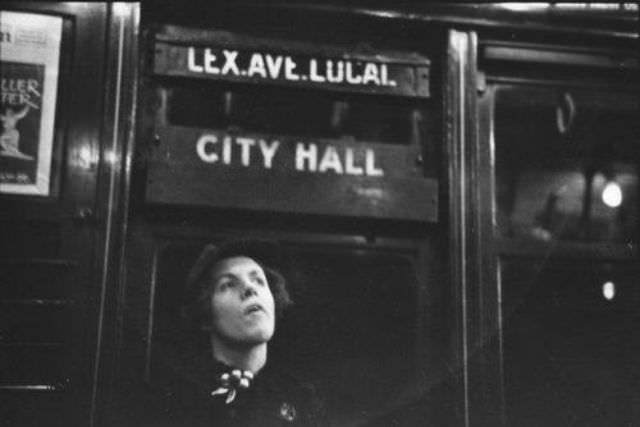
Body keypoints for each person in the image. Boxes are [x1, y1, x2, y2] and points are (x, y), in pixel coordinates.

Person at [142, 239, 328, 427]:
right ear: (205, 314)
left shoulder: (302, 397)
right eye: (228, 285)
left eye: (258, 281)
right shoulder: (178, 396)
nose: (250, 289)